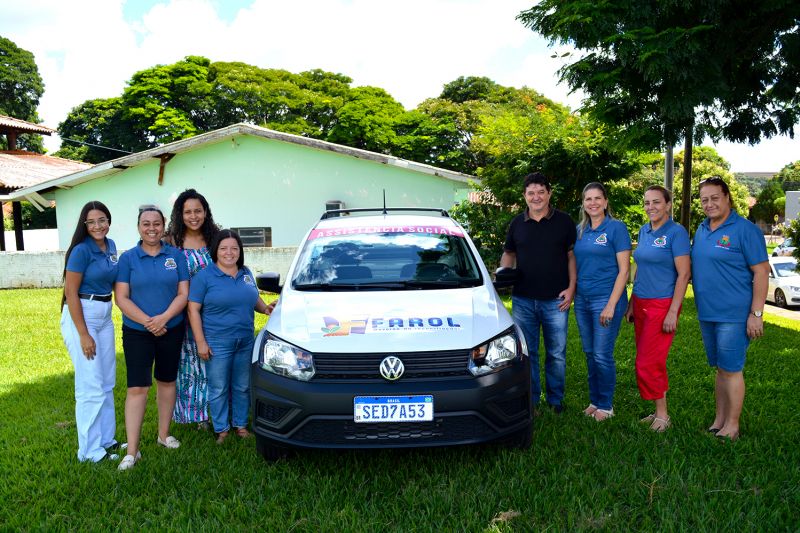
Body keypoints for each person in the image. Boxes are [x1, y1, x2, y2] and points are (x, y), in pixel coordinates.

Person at [691, 176, 769, 441]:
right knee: (721, 369)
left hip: (734, 315)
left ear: (727, 198)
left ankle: (732, 426)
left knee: (732, 369)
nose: (709, 204)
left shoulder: (746, 230)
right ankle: (719, 420)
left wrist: (756, 314)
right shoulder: (701, 229)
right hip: (708, 313)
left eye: (714, 198)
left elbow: (761, 272)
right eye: (704, 199)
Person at [114, 206, 190, 470]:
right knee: (137, 388)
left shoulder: (176, 256)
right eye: (146, 224)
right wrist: (148, 321)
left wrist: (163, 319)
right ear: (138, 227)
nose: (151, 228)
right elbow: (121, 298)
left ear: (164, 225)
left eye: (156, 223)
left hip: (171, 328)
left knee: (167, 381)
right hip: (137, 331)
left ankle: (163, 435)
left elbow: (183, 294)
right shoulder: (128, 259)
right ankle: (132, 451)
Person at [500, 172, 577, 414]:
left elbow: (571, 257)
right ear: (524, 196)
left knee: (556, 354)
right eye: (531, 193)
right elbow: (509, 254)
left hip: (556, 300)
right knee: (527, 352)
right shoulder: (516, 224)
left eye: (541, 192)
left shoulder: (564, 222)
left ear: (549, 194)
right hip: (523, 299)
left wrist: (572, 287)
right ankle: (531, 401)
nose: (536, 197)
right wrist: (502, 275)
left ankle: (555, 400)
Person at [187, 229, 273, 444]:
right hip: (217, 342)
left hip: (245, 340)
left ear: (240, 251)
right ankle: (222, 429)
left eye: (234, 248)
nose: (229, 252)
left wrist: (265, 308)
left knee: (242, 386)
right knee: (219, 388)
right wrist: (201, 342)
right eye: (224, 248)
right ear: (216, 250)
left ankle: (241, 426)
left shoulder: (245, 272)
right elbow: (193, 310)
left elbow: (253, 299)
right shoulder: (204, 276)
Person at [624, 186, 691, 432]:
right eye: (647, 203)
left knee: (647, 361)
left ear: (668, 205)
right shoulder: (643, 230)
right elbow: (639, 267)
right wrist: (632, 301)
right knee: (650, 360)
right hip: (641, 301)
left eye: (656, 202)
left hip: (662, 304)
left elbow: (684, 274)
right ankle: (657, 411)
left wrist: (673, 311)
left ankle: (663, 415)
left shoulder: (677, 233)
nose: (651, 207)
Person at [60, 201, 120, 462]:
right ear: (85, 224)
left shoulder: (112, 246)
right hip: (82, 313)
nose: (98, 226)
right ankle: (89, 451)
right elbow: (70, 292)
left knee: (107, 382)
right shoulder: (80, 251)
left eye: (102, 220)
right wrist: (83, 334)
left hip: (105, 314)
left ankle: (107, 440)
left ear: (109, 220)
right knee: (90, 386)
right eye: (92, 221)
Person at [573, 182, 631, 421]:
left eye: (598, 198)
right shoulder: (580, 230)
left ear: (606, 202)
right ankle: (594, 400)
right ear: (584, 204)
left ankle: (606, 406)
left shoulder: (616, 228)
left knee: (601, 354)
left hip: (606, 299)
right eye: (588, 199)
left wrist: (610, 304)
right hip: (582, 300)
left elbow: (624, 270)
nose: (593, 203)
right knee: (589, 353)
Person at [166, 189, 219, 430]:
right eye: (187, 212)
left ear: (206, 212)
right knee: (188, 364)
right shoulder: (171, 242)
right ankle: (195, 415)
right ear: (180, 214)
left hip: (214, 313)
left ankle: (216, 410)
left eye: (198, 211)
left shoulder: (216, 239)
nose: (193, 216)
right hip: (181, 312)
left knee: (214, 360)